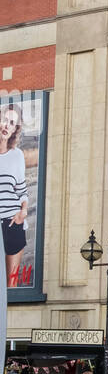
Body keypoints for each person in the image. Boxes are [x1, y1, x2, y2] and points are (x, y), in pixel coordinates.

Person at [0, 103, 28, 286]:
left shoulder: (17, 155)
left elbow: (22, 190)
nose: (6, 125)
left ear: (15, 129)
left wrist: (22, 213)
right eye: (4, 120)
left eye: (12, 123)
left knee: (12, 284)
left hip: (12, 222)